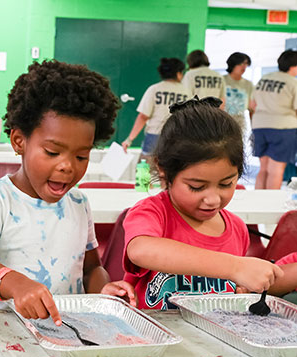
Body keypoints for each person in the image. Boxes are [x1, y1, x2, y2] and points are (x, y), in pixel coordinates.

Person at [0, 60, 136, 326]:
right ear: (19, 141)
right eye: (52, 152)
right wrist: (16, 284)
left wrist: (103, 292)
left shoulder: (79, 202)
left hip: (69, 329)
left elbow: (91, 268)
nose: (67, 166)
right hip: (8, 330)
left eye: (81, 156)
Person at [122, 97, 286, 310]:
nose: (213, 199)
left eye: (226, 184)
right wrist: (234, 267)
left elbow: (230, 287)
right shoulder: (153, 213)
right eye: (197, 187)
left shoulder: (236, 229)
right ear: (163, 170)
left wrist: (241, 285)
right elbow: (141, 250)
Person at [122, 58, 191, 160]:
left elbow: (143, 117)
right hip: (178, 138)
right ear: (178, 73)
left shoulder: (154, 89)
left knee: (146, 170)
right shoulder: (187, 93)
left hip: (154, 137)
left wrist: (129, 139)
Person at [252, 50, 297, 190]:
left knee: (264, 168)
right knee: (276, 169)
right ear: (293, 66)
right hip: (283, 128)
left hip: (259, 126)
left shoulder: (264, 79)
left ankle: (258, 204)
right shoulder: (292, 83)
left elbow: (252, 104)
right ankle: (269, 207)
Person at [224, 52, 255, 131]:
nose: (244, 67)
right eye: (241, 64)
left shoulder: (248, 84)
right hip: (222, 121)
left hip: (240, 124)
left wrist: (253, 127)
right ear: (233, 64)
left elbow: (251, 107)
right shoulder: (222, 80)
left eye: (246, 64)